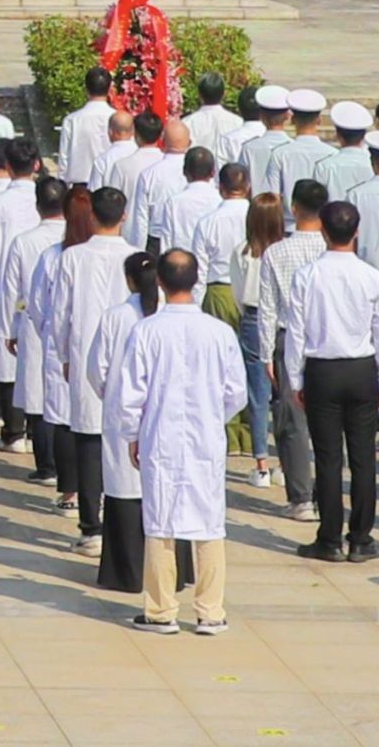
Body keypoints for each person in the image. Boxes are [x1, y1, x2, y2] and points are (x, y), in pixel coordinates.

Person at [117, 245, 249, 636]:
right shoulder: (220, 333)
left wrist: (132, 433)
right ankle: (210, 610)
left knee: (160, 521)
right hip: (205, 438)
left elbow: (130, 393)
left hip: (161, 436)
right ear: (196, 280)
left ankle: (161, 610)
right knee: (209, 520)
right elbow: (236, 393)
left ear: (160, 281)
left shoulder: (147, 331)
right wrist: (213, 417)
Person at [283, 202, 379, 563]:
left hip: (322, 370)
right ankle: (361, 537)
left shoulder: (307, 275)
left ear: (323, 232)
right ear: (356, 232)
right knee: (363, 458)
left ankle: (329, 538)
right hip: (361, 369)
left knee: (328, 458)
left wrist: (295, 378)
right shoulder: (371, 277)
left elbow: (295, 332)